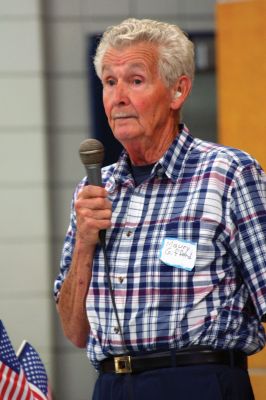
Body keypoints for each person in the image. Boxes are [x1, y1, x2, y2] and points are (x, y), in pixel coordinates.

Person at [54, 18, 266, 400]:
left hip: (198, 382)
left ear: (177, 90)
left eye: (135, 81)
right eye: (109, 82)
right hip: (111, 384)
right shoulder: (94, 189)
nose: (118, 97)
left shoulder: (228, 174)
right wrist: (85, 243)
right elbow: (74, 331)